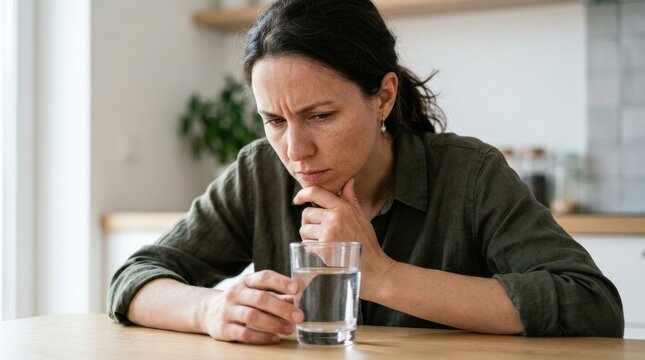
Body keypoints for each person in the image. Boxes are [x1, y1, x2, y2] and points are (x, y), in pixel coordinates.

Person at [108, 0, 624, 344]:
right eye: (273, 120)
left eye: (320, 116)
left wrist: (383, 277)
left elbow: (592, 304)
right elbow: (134, 279)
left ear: (383, 96)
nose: (295, 149)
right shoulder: (259, 172)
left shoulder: (469, 175)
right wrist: (211, 311)